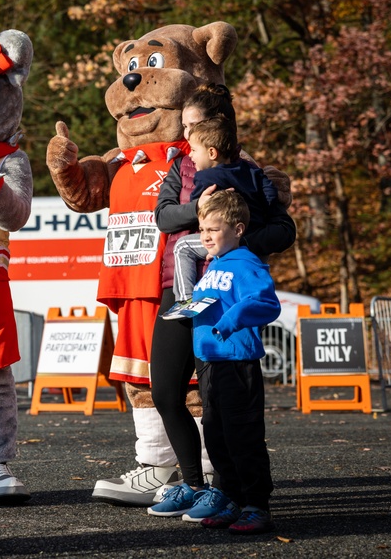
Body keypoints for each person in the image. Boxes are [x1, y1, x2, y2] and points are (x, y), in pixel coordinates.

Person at [141, 83, 294, 520]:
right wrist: (202, 213)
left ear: (216, 128)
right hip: (182, 290)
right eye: (183, 126)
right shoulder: (182, 167)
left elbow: (284, 230)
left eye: (190, 127)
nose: (184, 136)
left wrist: (235, 243)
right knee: (166, 391)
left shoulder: (250, 172)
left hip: (225, 294)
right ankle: (193, 484)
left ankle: (230, 493)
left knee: (222, 405)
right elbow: (163, 216)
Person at [183, 190, 281, 534]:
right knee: (217, 435)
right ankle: (232, 500)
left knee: (244, 437)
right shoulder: (213, 266)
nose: (205, 235)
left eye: (213, 228)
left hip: (238, 361)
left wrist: (232, 319)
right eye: (201, 229)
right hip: (210, 361)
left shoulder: (246, 262)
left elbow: (267, 303)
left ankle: (257, 505)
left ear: (238, 229)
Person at [171, 115, 279, 303]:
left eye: (194, 150)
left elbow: (203, 216)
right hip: (254, 236)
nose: (190, 155)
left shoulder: (206, 177)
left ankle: (185, 300)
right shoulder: (251, 170)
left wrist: (199, 206)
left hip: (228, 238)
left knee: (182, 246)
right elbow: (270, 193)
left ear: (212, 153)